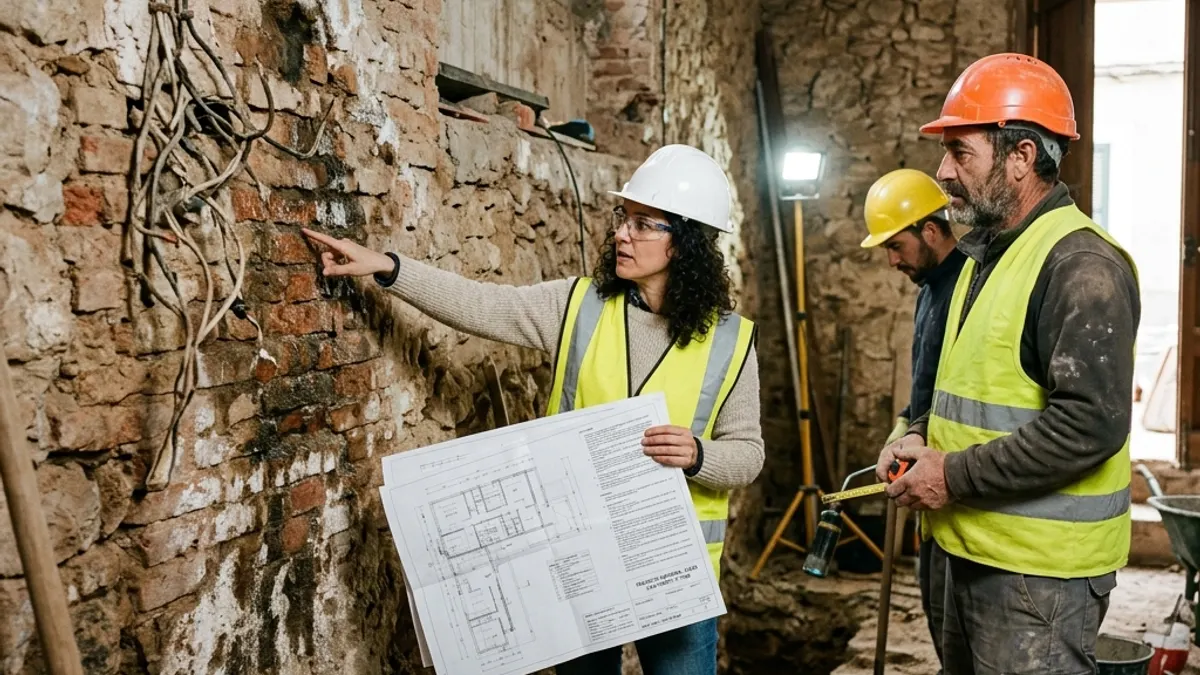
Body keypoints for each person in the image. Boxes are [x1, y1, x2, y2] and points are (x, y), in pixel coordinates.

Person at [302, 144, 763, 675]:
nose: (621, 234)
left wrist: (699, 454)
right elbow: (481, 305)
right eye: (623, 219)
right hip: (580, 560)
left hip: (674, 572)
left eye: (643, 224)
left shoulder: (732, 341)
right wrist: (387, 268)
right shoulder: (579, 304)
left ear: (684, 243)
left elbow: (747, 454)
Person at [874, 53, 1140, 675]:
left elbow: (1088, 428)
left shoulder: (1082, 268)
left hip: (1037, 581)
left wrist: (952, 477)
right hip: (966, 553)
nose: (942, 172)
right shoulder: (983, 257)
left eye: (960, 153)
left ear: (1021, 156)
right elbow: (966, 390)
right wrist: (915, 435)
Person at [859, 167, 965, 675]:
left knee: (954, 627)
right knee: (935, 613)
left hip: (955, 478)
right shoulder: (928, 289)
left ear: (930, 230)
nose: (892, 260)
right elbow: (928, 383)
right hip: (923, 463)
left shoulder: (971, 285)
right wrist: (904, 427)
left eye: (896, 245)